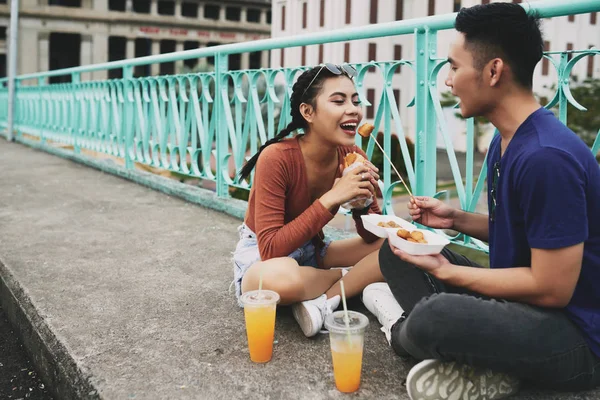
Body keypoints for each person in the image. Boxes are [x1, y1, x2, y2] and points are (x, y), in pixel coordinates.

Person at [361, 3, 600, 400]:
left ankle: (401, 331)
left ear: (493, 71)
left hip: (576, 336)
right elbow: (526, 234)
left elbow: (552, 287)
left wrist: (448, 273)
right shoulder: (506, 139)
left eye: (454, 66)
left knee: (435, 317)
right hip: (519, 304)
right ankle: (473, 356)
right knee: (394, 253)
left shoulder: (546, 158)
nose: (449, 81)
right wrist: (456, 219)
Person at [233, 64, 386, 337]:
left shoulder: (351, 154)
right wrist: (333, 197)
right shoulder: (277, 158)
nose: (353, 109)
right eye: (338, 101)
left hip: (312, 251)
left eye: (355, 100)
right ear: (308, 112)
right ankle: (353, 278)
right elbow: (270, 248)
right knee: (283, 279)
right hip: (265, 258)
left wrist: (363, 204)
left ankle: (324, 300)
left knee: (394, 247)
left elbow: (371, 237)